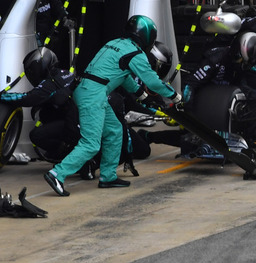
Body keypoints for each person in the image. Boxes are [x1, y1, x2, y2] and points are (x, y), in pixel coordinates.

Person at [42, 15, 180, 197]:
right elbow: (153, 82)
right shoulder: (136, 54)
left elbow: (123, 76)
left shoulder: (116, 43)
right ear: (146, 36)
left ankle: (108, 176)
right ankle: (57, 174)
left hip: (88, 90)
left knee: (114, 131)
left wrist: (142, 96)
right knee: (91, 144)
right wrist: (174, 96)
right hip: (94, 95)